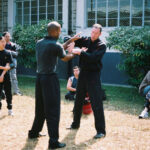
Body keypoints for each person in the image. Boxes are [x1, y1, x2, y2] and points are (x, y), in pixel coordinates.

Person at [28, 21, 79, 149]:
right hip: (50, 79)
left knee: (40, 108)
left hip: (39, 79)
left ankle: (34, 133)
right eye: (60, 30)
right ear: (55, 31)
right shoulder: (55, 45)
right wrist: (76, 52)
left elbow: (57, 47)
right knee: (53, 110)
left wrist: (71, 39)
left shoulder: (40, 43)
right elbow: (65, 57)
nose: (60, 32)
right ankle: (53, 142)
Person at [68, 24, 106, 139]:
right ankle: (75, 124)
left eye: (96, 33)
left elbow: (93, 58)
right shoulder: (86, 40)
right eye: (92, 32)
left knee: (96, 103)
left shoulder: (101, 45)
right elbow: (68, 40)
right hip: (83, 74)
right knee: (78, 100)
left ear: (100, 34)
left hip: (93, 76)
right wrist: (73, 40)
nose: (93, 35)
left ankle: (101, 131)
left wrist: (80, 52)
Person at [3, 32, 22, 96]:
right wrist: (10, 52)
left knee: (14, 77)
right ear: (3, 37)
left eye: (9, 36)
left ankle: (16, 91)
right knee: (4, 77)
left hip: (12, 63)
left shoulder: (13, 45)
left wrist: (8, 52)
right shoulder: (1, 44)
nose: (8, 37)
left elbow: (16, 54)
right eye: (6, 36)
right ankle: (3, 92)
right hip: (4, 63)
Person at [0, 35, 14, 116]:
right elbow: (6, 66)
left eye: (4, 41)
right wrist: (4, 67)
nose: (4, 43)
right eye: (2, 41)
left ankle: (10, 109)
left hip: (6, 76)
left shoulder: (8, 52)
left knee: (8, 92)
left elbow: (11, 64)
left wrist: (2, 74)